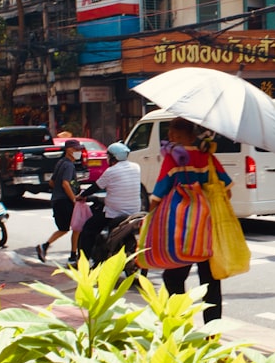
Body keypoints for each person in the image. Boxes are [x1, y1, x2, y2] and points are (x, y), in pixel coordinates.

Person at [151, 117, 231, 324]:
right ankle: (212, 333)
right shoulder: (208, 157)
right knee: (211, 280)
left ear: (175, 135)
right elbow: (227, 187)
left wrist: (151, 218)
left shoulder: (173, 157)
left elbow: (159, 192)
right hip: (207, 224)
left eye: (170, 132)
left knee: (173, 277)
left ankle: (180, 325)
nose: (169, 136)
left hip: (181, 227)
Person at [76, 142, 142, 263]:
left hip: (115, 213)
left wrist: (82, 195)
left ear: (112, 157)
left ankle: (84, 261)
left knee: (89, 229)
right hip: (134, 211)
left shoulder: (111, 171)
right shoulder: (136, 167)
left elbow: (96, 187)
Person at [37, 138, 82, 264]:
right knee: (75, 227)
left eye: (79, 149)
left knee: (70, 228)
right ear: (68, 150)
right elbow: (65, 184)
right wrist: (73, 199)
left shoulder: (60, 163)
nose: (78, 151)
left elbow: (52, 182)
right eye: (75, 149)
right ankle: (70, 254)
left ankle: (72, 254)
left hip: (58, 200)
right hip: (64, 201)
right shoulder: (68, 165)